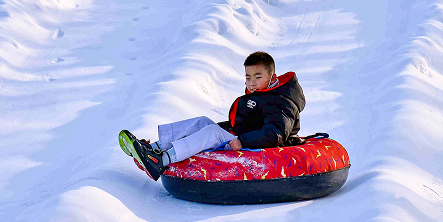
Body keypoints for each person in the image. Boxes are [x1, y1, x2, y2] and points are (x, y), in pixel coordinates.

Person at [119, 52, 306, 181]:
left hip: (260, 146)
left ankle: (161, 161)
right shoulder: (264, 96)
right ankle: (153, 149)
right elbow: (245, 124)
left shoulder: (282, 101)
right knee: (203, 122)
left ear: (272, 76)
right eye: (248, 77)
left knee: (213, 133)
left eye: (258, 77)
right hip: (244, 138)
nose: (251, 83)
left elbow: (276, 133)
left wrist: (243, 140)